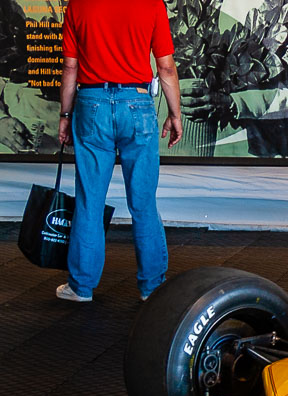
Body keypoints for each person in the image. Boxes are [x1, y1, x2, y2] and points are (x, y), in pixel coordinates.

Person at [56, 0, 183, 302]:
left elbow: (71, 66)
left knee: (89, 200)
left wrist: (64, 115)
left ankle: (81, 287)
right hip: (136, 103)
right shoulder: (152, 4)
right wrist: (175, 114)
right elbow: (165, 66)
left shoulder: (78, 5)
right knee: (142, 202)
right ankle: (152, 288)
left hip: (91, 103)